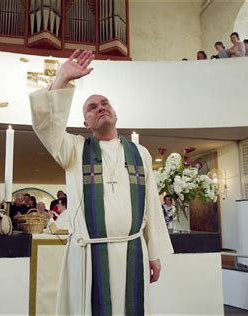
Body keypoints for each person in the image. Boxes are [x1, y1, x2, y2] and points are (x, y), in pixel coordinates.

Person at [29, 50, 173, 314]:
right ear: (86, 122)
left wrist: (155, 254)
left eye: (105, 103)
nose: (100, 108)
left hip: (133, 250)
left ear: (115, 112)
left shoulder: (140, 154)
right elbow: (46, 127)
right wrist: (62, 79)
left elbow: (151, 205)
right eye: (92, 107)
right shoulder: (74, 149)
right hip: (89, 257)